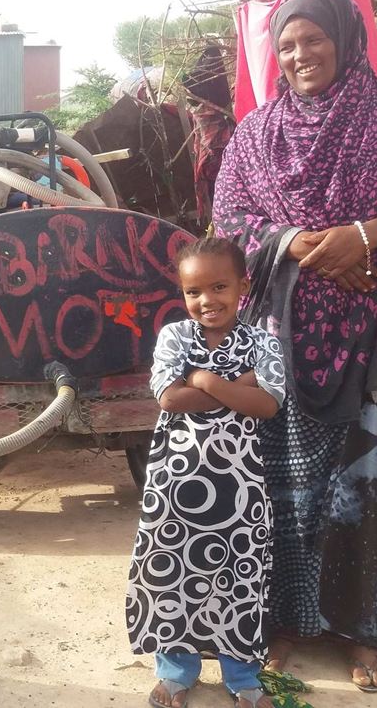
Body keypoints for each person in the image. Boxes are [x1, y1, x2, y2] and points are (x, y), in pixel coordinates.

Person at [213, 0, 377, 692]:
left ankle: (364, 631)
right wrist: (291, 242)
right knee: (282, 486)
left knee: (365, 482)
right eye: (286, 45)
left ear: (345, 41)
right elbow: (226, 220)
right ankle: (284, 622)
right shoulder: (255, 134)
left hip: (373, 341)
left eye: (313, 40)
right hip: (279, 344)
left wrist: (364, 238)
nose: (300, 55)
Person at [126, 237, 285, 708]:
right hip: (174, 483)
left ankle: (243, 679)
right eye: (194, 291)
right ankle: (175, 674)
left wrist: (203, 379)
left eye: (219, 287)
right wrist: (236, 387)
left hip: (240, 486)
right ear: (182, 293)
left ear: (243, 287)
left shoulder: (264, 342)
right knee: (171, 573)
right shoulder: (174, 336)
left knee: (240, 576)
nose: (206, 300)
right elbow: (168, 399)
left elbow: (268, 405)